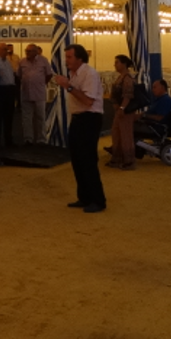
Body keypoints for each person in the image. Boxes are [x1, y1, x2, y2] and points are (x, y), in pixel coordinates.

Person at [52, 44, 106, 213]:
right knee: (77, 159)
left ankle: (97, 200)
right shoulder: (74, 74)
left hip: (89, 118)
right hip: (78, 118)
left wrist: (68, 86)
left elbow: (88, 100)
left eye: (69, 57)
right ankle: (84, 197)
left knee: (88, 160)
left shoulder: (89, 74)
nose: (66, 60)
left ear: (79, 58)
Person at [18, 44, 52, 145]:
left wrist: (41, 83)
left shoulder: (43, 61)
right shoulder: (22, 61)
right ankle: (28, 138)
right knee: (26, 117)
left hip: (39, 93)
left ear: (35, 52)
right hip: (26, 93)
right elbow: (19, 75)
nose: (27, 53)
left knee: (40, 117)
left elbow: (49, 74)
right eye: (26, 51)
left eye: (29, 51)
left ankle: (41, 138)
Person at [108, 55, 138, 170]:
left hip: (125, 112)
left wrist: (122, 108)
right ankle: (118, 158)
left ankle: (129, 161)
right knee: (116, 134)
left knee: (125, 136)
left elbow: (128, 95)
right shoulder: (121, 77)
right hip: (120, 111)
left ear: (124, 64)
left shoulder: (127, 78)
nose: (115, 65)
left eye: (117, 62)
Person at [0, 42, 18, 148]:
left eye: (6, 49)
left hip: (10, 89)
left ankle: (8, 140)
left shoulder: (7, 61)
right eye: (4, 49)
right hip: (1, 90)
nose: (6, 51)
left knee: (9, 116)